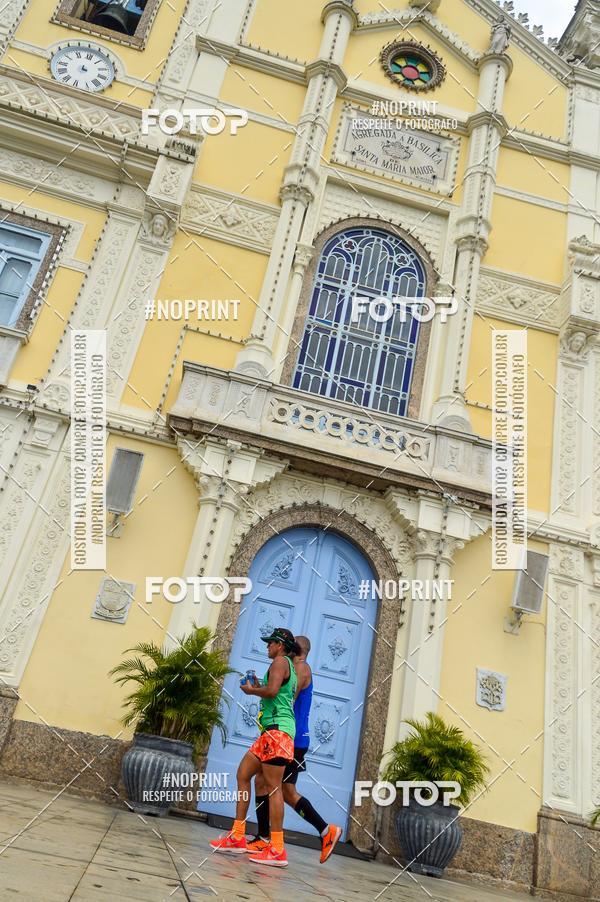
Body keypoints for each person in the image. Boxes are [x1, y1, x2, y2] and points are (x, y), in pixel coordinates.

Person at [247, 636, 342, 864]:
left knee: (275, 787)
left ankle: (321, 831)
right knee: (271, 785)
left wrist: (262, 691)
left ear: (295, 649)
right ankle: (267, 836)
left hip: (292, 738)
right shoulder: (297, 667)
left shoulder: (300, 668)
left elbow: (287, 698)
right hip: (291, 737)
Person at [209, 627, 299, 868]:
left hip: (277, 731)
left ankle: (278, 849)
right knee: (243, 774)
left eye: (271, 642)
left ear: (281, 645)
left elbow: (271, 692)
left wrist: (252, 690)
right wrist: (261, 685)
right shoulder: (285, 665)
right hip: (269, 731)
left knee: (273, 789)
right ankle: (238, 835)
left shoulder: (281, 661)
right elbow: (275, 692)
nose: (267, 646)